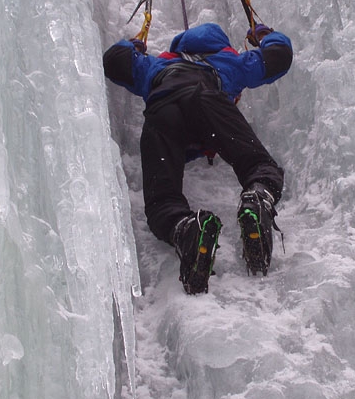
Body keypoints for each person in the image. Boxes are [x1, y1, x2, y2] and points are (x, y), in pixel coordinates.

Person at [103, 22, 293, 294]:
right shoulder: (232, 61)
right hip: (208, 102)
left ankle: (186, 229)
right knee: (259, 166)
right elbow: (278, 56)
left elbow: (114, 60)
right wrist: (265, 35)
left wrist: (132, 47)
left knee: (162, 200)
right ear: (222, 45)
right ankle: (257, 196)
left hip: (163, 107)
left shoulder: (157, 64)